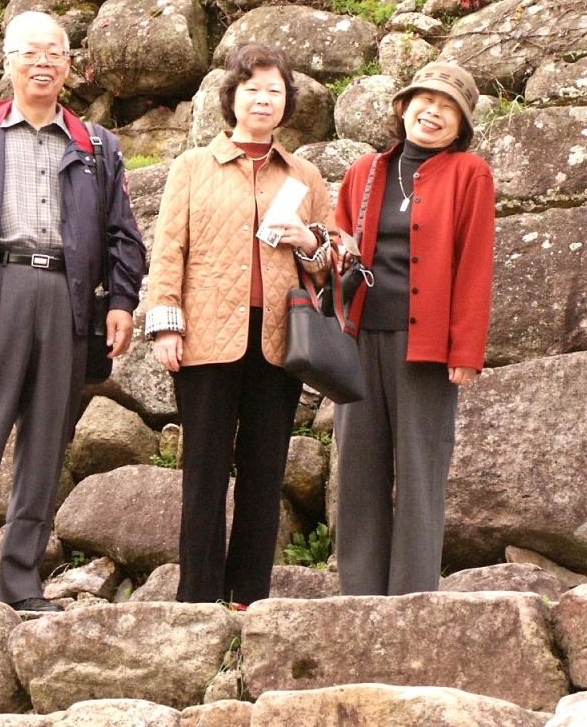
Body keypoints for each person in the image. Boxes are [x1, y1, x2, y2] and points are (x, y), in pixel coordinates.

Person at [0, 10, 145, 612]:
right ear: (8, 61)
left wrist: (121, 301)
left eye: (55, 53)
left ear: (69, 65)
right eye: (30, 52)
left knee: (46, 443)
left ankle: (20, 584)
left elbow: (123, 233)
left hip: (67, 297)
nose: (43, 63)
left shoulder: (96, 146)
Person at [145, 42, 332, 607]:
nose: (263, 100)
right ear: (232, 98)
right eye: (253, 89)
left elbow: (330, 261)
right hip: (206, 337)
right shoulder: (192, 167)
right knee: (203, 470)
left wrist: (310, 242)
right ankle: (198, 598)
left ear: (286, 103)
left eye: (274, 91)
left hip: (278, 338)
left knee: (264, 470)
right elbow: (168, 249)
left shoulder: (304, 175)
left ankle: (248, 594)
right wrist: (166, 324)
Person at [333, 60, 495, 595]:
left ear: (461, 125)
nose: (434, 112)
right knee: (359, 469)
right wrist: (330, 247)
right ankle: (359, 594)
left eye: (449, 108)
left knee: (421, 471)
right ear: (404, 107)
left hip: (424, 345)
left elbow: (475, 262)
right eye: (426, 100)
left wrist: (465, 350)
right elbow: (338, 239)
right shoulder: (365, 171)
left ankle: (413, 596)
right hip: (359, 339)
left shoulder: (470, 174)